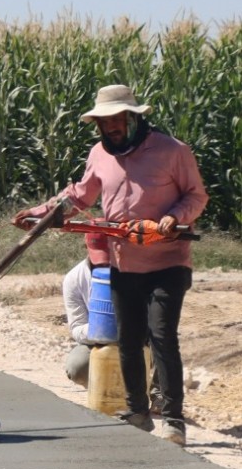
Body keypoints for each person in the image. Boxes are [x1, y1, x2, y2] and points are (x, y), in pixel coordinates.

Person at [14, 84, 208, 445]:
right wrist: (41, 214)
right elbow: (78, 196)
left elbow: (196, 195)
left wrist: (173, 217)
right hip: (124, 263)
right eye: (105, 122)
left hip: (168, 261)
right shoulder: (100, 154)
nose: (112, 127)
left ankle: (172, 419)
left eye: (118, 119)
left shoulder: (172, 151)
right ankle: (137, 411)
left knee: (163, 336)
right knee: (129, 339)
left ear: (133, 118)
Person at [61, 231, 111, 387]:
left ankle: (158, 396)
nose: (104, 263)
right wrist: (102, 329)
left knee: (163, 339)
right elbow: (76, 328)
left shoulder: (137, 270)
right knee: (77, 366)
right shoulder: (74, 279)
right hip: (97, 342)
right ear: (86, 247)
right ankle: (104, 391)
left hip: (137, 339)